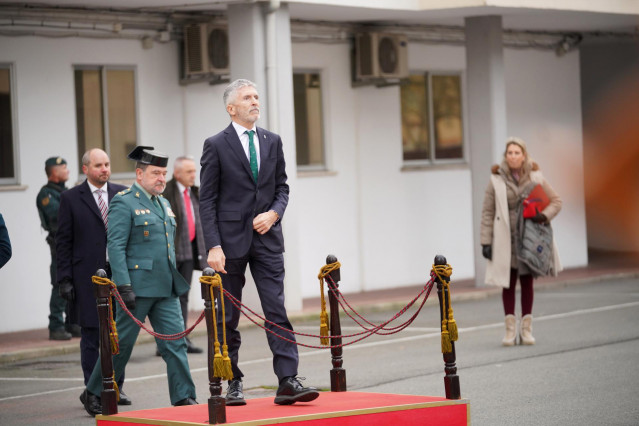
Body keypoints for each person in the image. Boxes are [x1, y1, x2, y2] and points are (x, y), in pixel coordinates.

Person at [200, 79, 319, 406]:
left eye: (256, 97)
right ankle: (232, 382)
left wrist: (274, 214)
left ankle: (287, 381)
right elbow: (207, 199)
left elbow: (282, 188)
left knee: (276, 310)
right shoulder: (216, 144)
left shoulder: (272, 141)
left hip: (267, 240)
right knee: (227, 316)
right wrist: (213, 245)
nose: (255, 102)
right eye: (247, 98)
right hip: (227, 243)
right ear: (231, 108)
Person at [81, 146, 197, 416]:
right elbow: (116, 246)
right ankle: (94, 392)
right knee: (121, 346)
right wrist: (123, 285)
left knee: (175, 343)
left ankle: (183, 396)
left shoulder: (164, 203)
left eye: (164, 173)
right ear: (139, 174)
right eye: (156, 173)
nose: (161, 178)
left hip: (166, 288)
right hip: (136, 288)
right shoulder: (124, 201)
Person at [56, 149, 131, 407]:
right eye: (98, 165)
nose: (104, 169)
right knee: (91, 336)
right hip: (87, 277)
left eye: (107, 164)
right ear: (86, 169)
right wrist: (63, 279)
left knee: (118, 333)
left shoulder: (122, 193)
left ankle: (115, 388)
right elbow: (62, 242)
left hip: (118, 274)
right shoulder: (70, 198)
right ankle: (94, 393)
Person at [480, 137, 562, 346]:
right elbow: (488, 212)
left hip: (528, 238)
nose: (513, 156)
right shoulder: (496, 179)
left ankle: (526, 331)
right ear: (505, 156)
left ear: (524, 155)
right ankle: (509, 332)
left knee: (526, 283)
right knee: (507, 284)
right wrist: (485, 241)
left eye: (517, 152)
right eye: (510, 153)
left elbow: (556, 201)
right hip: (505, 239)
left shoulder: (536, 177)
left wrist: (543, 216)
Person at [161, 156, 206, 355]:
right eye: (189, 172)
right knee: (166, 297)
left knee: (183, 296)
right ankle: (165, 341)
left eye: (194, 171)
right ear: (177, 173)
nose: (193, 175)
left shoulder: (194, 192)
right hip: (170, 254)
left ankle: (182, 338)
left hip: (188, 253)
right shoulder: (166, 192)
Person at [36, 156, 80, 341]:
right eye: (64, 167)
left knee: (75, 283)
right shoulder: (46, 195)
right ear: (54, 172)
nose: (68, 171)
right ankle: (55, 325)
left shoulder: (65, 192)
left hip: (74, 244)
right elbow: (57, 216)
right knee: (60, 283)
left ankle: (72, 323)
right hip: (60, 246)